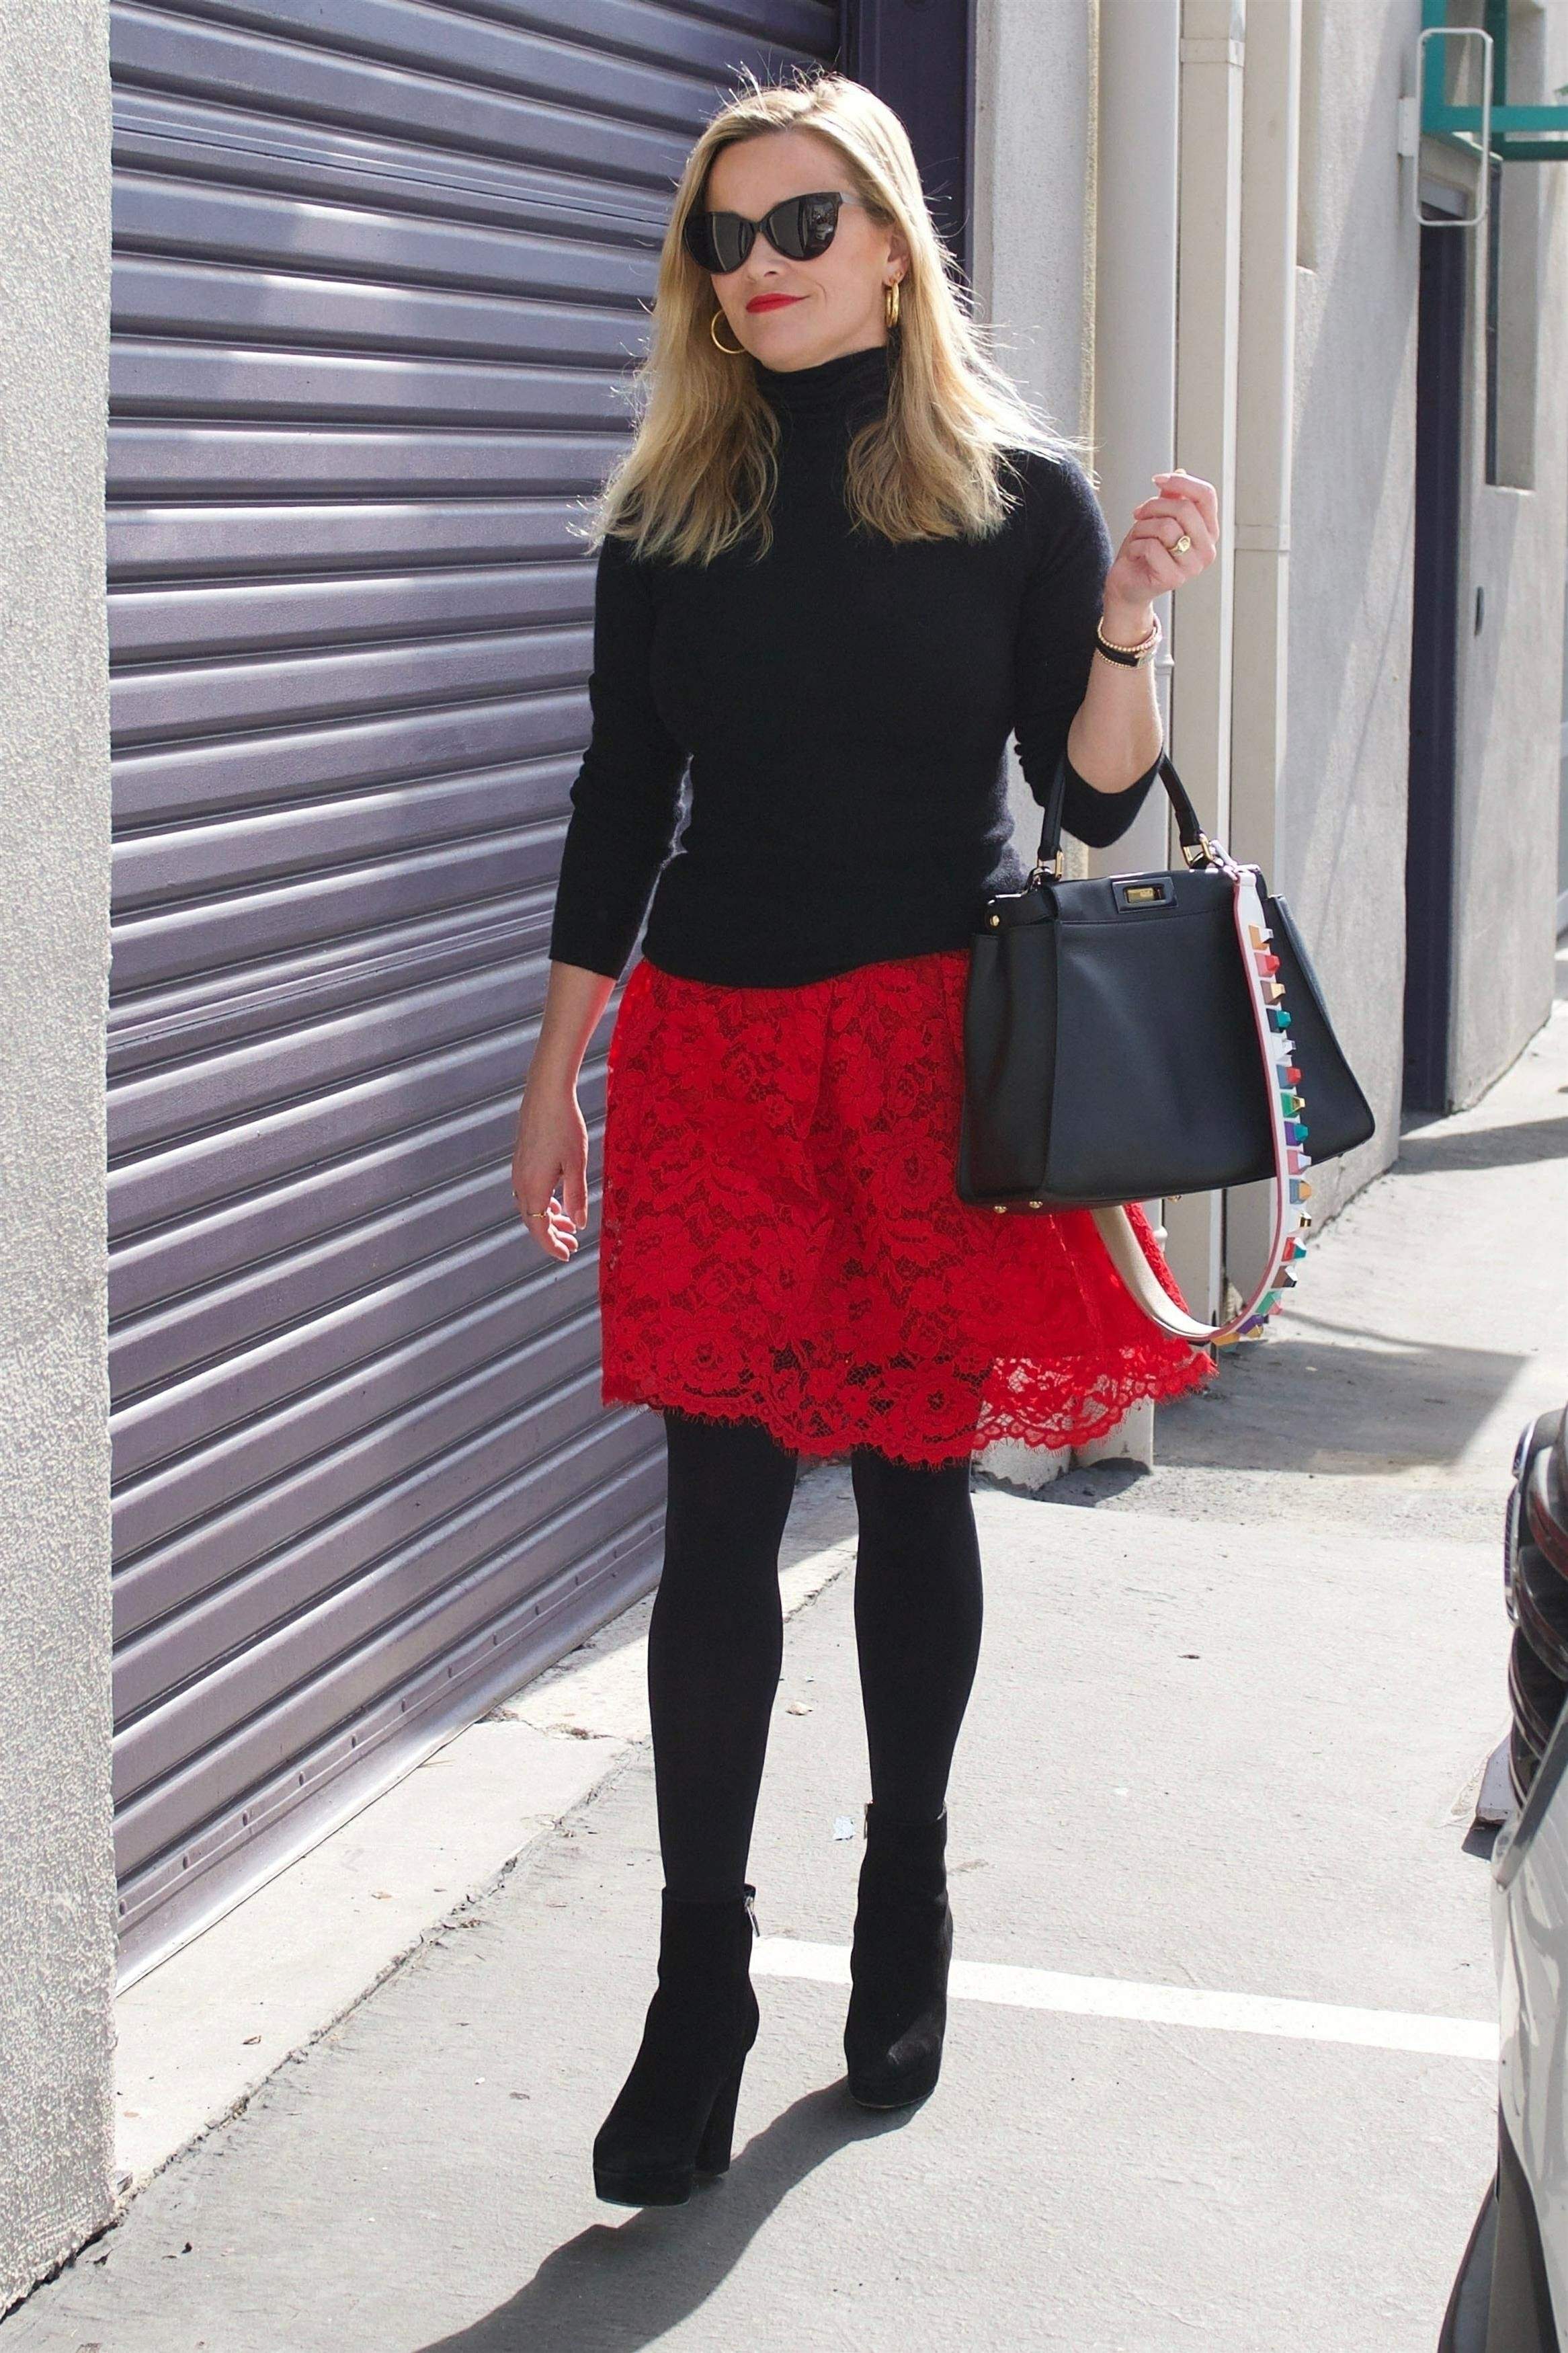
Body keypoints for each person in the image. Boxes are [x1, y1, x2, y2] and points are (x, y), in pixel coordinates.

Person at [511, 69, 1220, 2208]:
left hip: (929, 1058)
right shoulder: (668, 510)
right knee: (715, 1518)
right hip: (716, 1055)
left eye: (802, 225)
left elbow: (1092, 800)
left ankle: (904, 1890)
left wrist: (1127, 625)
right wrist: (556, 1065)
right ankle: (698, 1985)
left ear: (896, 247)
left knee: (917, 1485)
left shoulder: (1013, 497)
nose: (760, 267)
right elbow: (618, 797)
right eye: (723, 239)